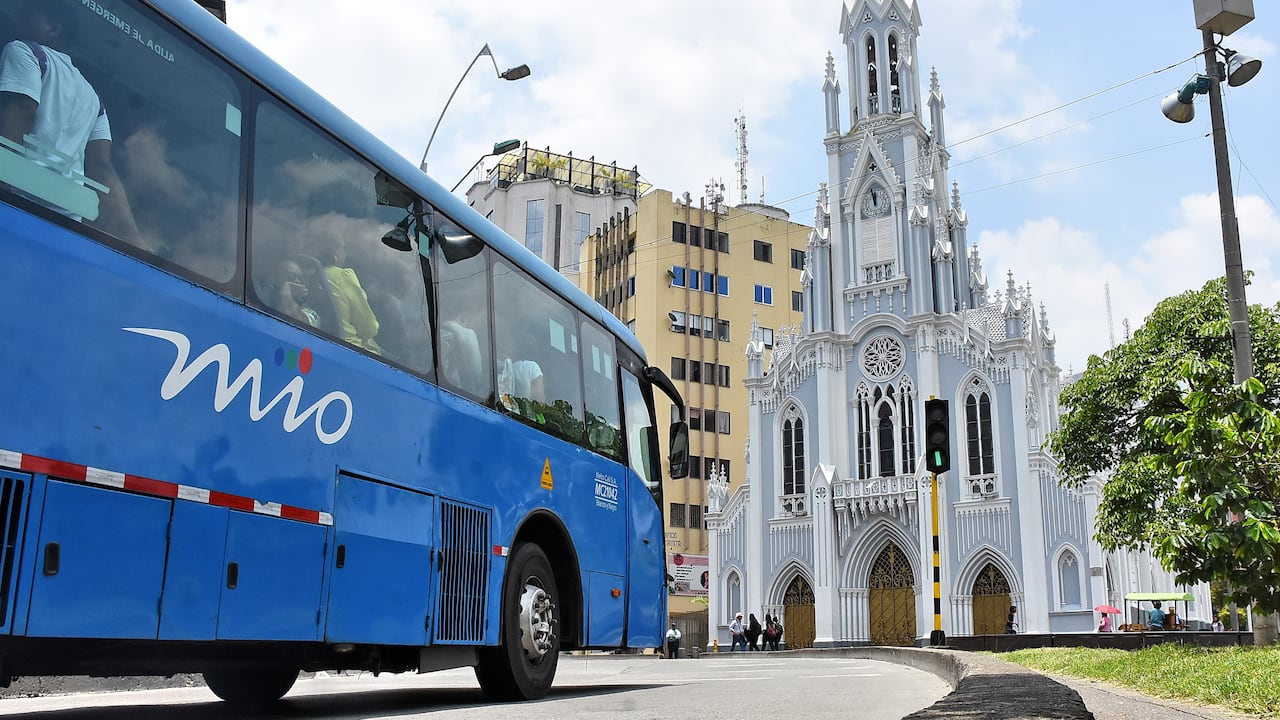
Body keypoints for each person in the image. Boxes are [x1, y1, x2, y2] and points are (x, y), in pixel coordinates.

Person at [0, 1, 143, 247]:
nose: (21, 21)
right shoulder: (94, 98)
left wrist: (3, 182)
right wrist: (135, 238)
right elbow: (102, 165)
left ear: (53, 30)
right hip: (66, 221)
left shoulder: (24, 51)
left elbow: (23, 109)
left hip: (19, 201)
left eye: (29, 16)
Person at [317, 235, 382, 354]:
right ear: (334, 250)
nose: (346, 252)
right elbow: (369, 328)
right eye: (344, 247)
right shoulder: (342, 276)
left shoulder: (313, 277)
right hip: (351, 350)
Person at [265, 256, 319, 327]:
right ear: (274, 278)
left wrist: (287, 295)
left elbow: (301, 325)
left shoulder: (310, 308)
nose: (297, 281)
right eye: (290, 276)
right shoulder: (263, 300)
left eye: (300, 278)